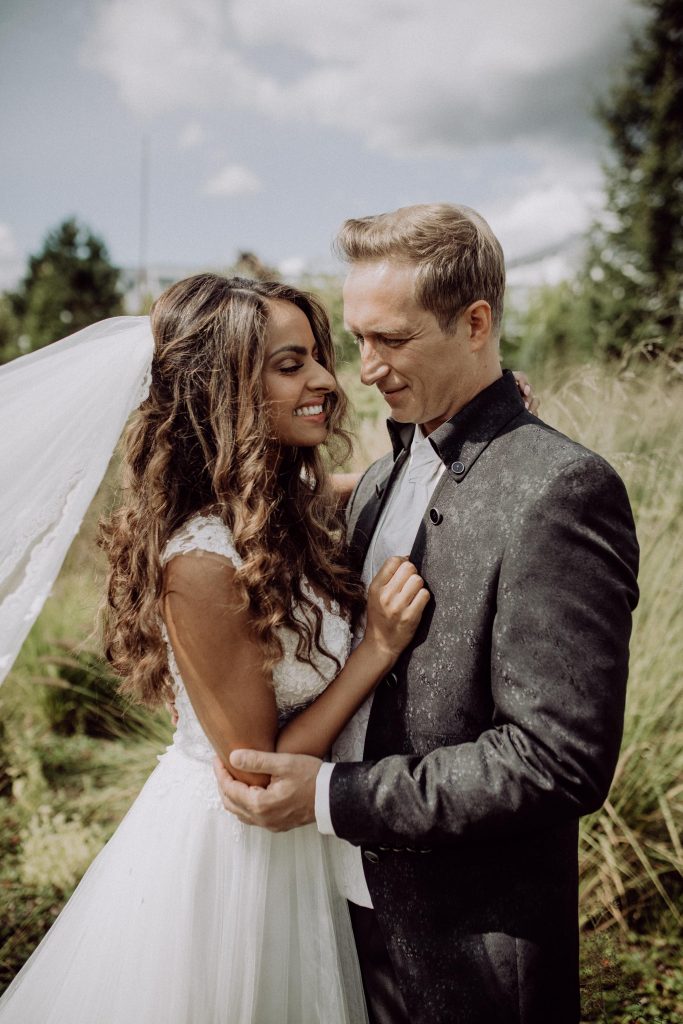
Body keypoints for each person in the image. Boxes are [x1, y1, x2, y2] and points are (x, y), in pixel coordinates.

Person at [215, 204, 641, 1024]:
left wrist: (332, 795)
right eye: (357, 339)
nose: (364, 369)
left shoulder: (559, 490)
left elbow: (556, 761)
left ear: (474, 323)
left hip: (468, 944)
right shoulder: (381, 479)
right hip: (338, 910)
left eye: (392, 340)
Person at [0, 273, 434, 1023]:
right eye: (290, 364)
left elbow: (382, 484)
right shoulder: (201, 562)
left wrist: (476, 428)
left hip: (307, 844)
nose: (326, 382)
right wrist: (376, 646)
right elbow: (258, 774)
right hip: (238, 863)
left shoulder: (279, 509)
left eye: (316, 358)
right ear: (219, 391)